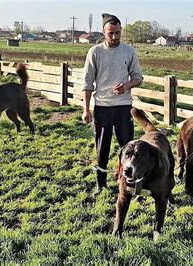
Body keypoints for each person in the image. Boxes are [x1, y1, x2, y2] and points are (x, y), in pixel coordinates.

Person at [82, 13, 143, 194]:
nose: (115, 37)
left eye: (117, 33)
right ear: (104, 32)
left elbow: (138, 78)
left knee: (128, 148)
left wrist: (126, 86)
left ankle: (128, 183)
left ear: (121, 30)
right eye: (111, 33)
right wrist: (86, 109)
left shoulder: (129, 51)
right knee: (102, 148)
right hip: (102, 107)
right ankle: (101, 185)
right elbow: (87, 83)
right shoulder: (95, 52)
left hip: (124, 107)